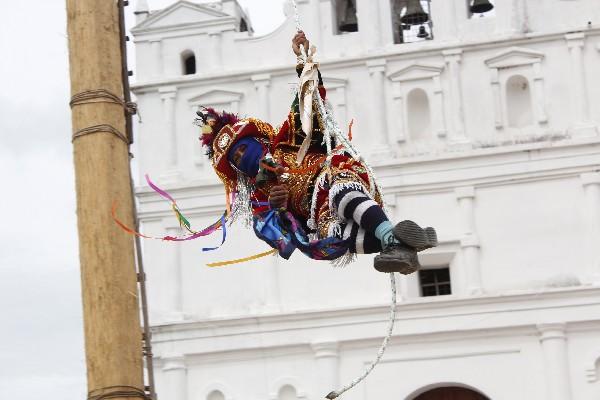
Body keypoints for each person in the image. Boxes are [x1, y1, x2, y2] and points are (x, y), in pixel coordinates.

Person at [196, 32, 437, 274]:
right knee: (334, 236)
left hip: (336, 177)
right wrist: (278, 209)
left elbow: (308, 104)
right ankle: (401, 247)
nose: (242, 159)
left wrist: (304, 63)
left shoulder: (287, 141)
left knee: (339, 191)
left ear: (257, 140)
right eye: (235, 160)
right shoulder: (260, 198)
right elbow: (280, 236)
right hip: (318, 214)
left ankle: (390, 239)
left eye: (242, 150)